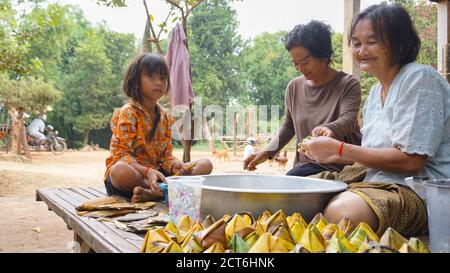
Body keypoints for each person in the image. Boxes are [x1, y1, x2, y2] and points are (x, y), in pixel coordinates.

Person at [303, 3, 450, 236]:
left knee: (343, 214)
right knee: (297, 191)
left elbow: (411, 161)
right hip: (377, 181)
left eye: (372, 42)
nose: (362, 51)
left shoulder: (420, 79)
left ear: (399, 44)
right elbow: (375, 156)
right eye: (356, 43)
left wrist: (342, 149)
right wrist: (336, 155)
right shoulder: (374, 94)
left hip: (420, 192)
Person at [244, 20, 362, 176]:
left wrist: (329, 128)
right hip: (306, 166)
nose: (300, 69)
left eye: (305, 62)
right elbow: (288, 126)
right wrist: (267, 153)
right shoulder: (294, 87)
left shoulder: (348, 84)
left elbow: (348, 119)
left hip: (341, 167)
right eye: (295, 63)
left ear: (324, 55)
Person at [104, 53, 213, 203]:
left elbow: (165, 156)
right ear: (136, 81)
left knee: (205, 164)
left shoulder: (165, 117)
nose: (159, 83)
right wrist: (147, 172)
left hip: (158, 174)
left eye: (163, 78)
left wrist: (175, 165)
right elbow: (121, 154)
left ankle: (155, 191)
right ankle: (161, 191)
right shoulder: (128, 112)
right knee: (119, 171)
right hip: (134, 177)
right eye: (151, 77)